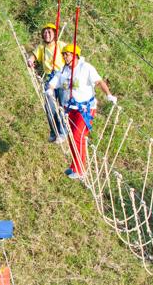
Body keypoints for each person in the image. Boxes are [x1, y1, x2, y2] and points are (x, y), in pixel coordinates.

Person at [47, 43, 117, 180]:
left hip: (85, 110)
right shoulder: (64, 70)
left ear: (75, 55)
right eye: (63, 54)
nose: (64, 57)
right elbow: (55, 81)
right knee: (71, 137)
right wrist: (50, 88)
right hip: (71, 109)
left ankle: (80, 170)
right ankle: (74, 166)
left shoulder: (86, 68)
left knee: (77, 136)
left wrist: (108, 94)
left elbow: (99, 82)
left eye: (67, 54)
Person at [27, 23, 66, 142]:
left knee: (63, 106)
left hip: (62, 78)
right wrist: (30, 60)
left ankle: (62, 132)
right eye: (45, 32)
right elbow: (33, 56)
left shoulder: (60, 45)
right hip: (49, 79)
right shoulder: (41, 47)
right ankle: (54, 132)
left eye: (49, 32)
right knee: (50, 107)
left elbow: (71, 55)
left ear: (54, 34)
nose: (47, 35)